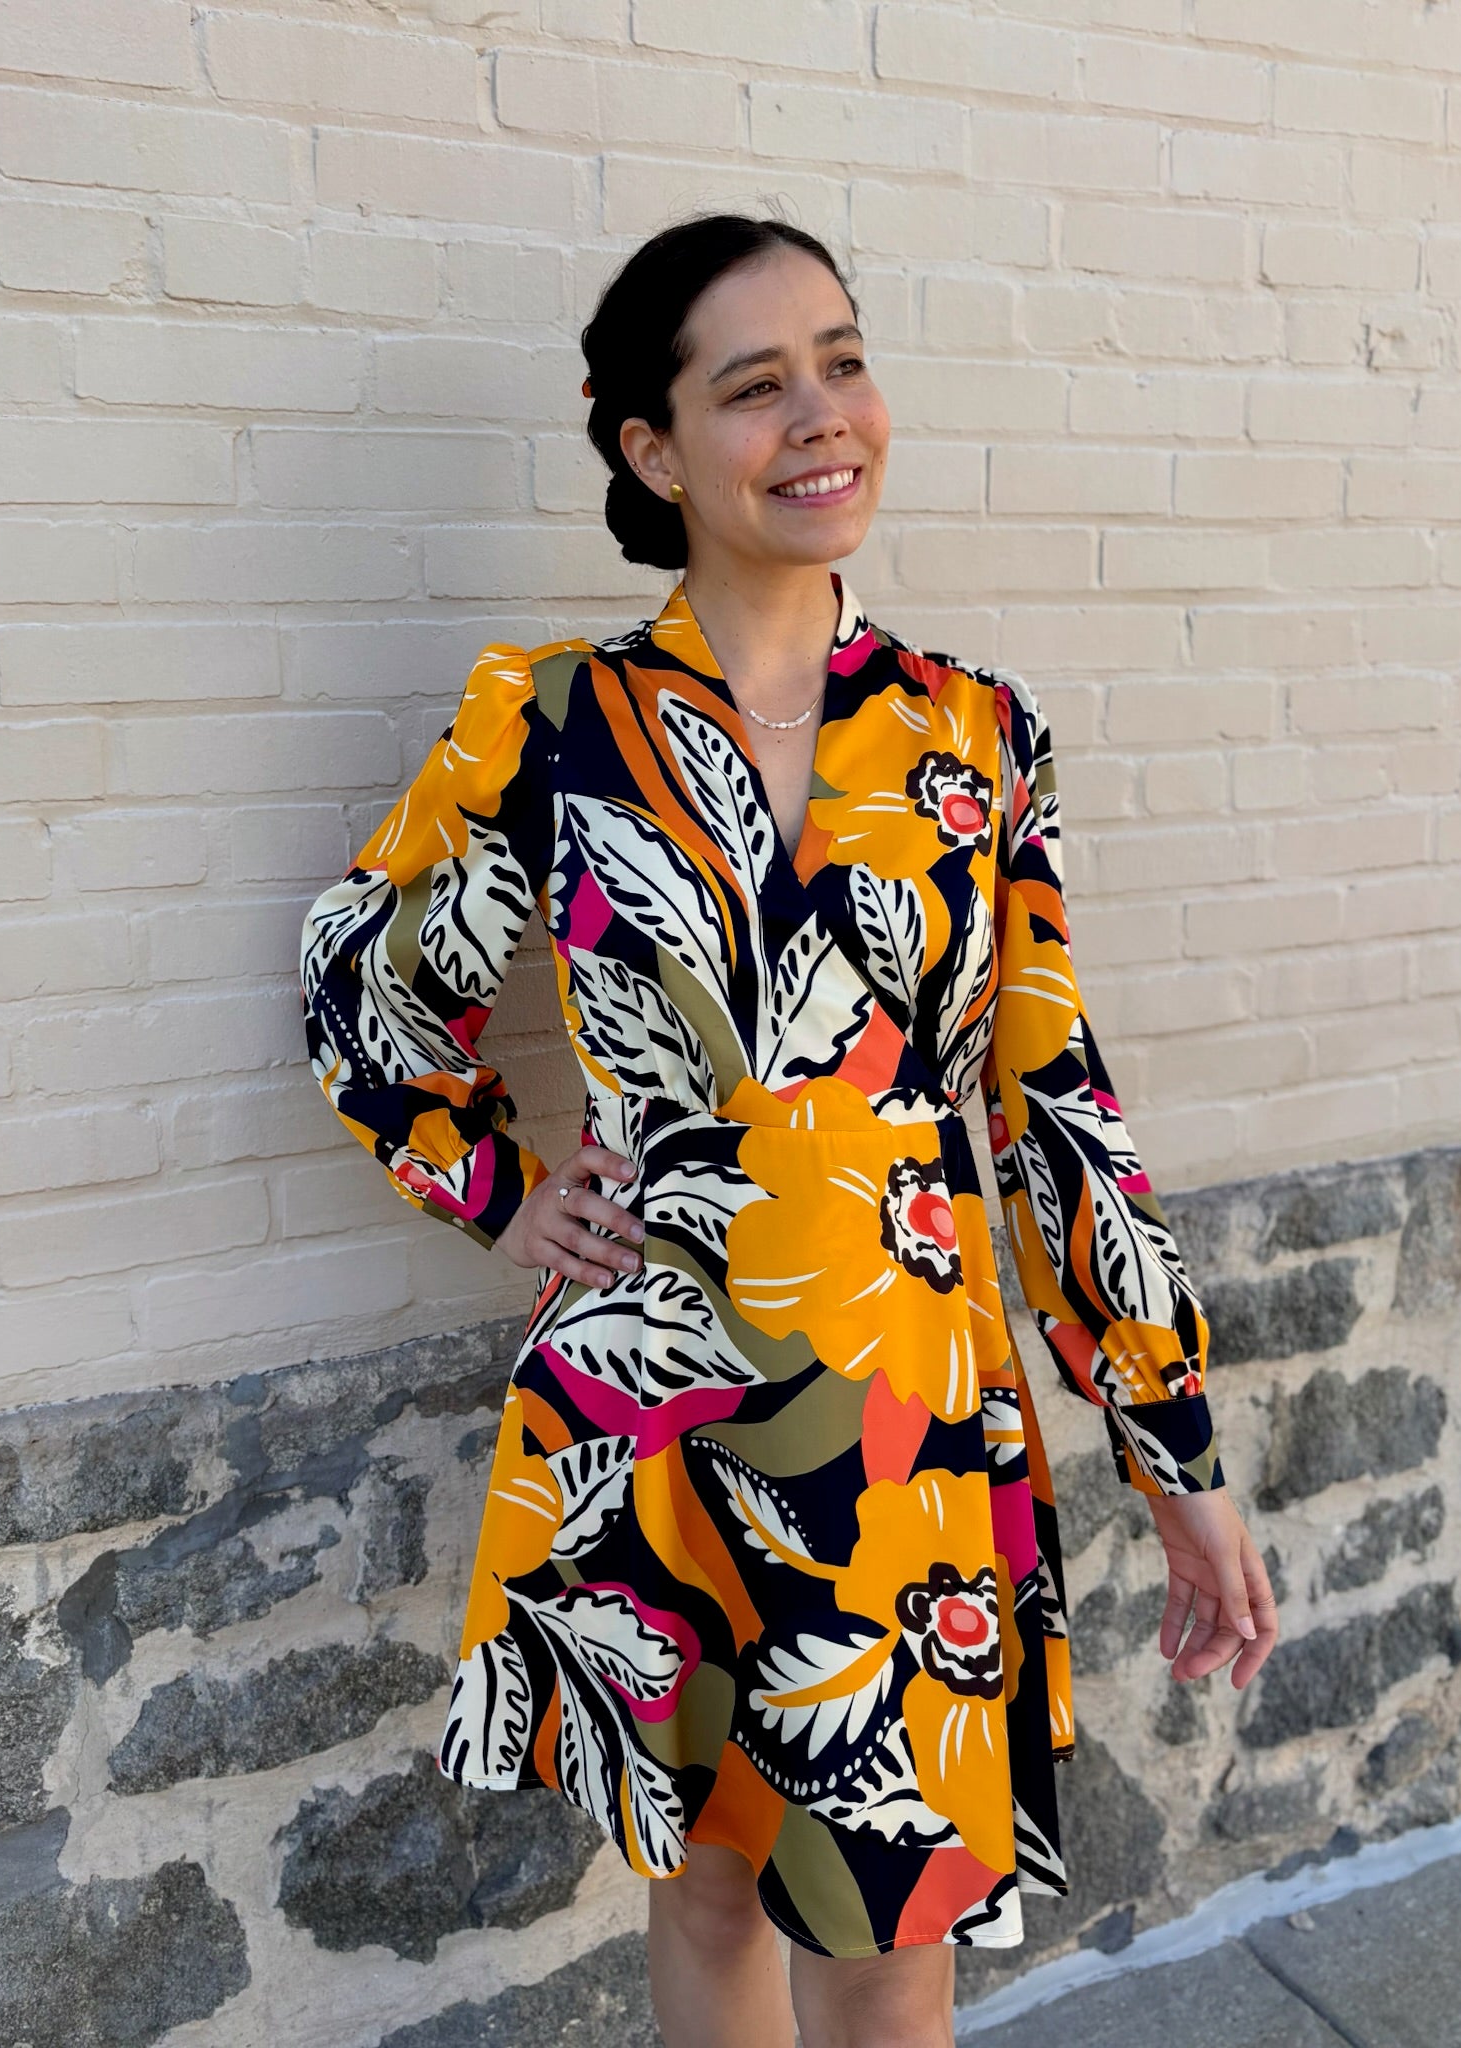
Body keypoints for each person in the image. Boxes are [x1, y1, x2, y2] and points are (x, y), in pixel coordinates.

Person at [298, 211, 1278, 2048]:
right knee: (709, 1876)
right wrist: (502, 1191)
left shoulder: (972, 736)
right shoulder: (553, 723)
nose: (823, 414)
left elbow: (1051, 1107)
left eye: (843, 361)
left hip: (899, 1419)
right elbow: (367, 982)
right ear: (655, 450)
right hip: (650, 1407)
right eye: (756, 385)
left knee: (889, 1929)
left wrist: (1177, 1456)